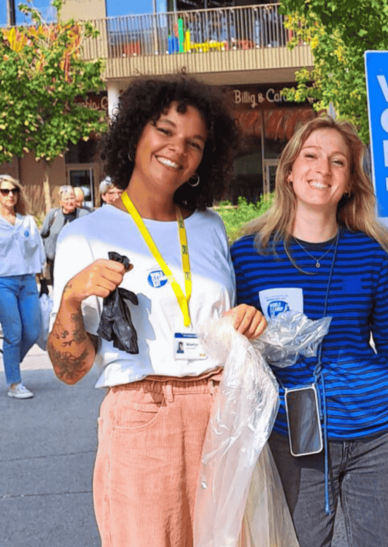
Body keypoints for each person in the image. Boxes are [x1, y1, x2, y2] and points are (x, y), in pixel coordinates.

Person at [46, 77, 267, 547]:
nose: (177, 149)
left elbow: (217, 322)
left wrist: (242, 323)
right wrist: (70, 298)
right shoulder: (84, 235)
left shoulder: (208, 228)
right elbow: (70, 371)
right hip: (141, 413)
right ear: (134, 135)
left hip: (220, 410)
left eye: (194, 143)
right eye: (164, 131)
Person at [231, 116, 388, 547]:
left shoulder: (372, 254)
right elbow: (235, 351)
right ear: (288, 171)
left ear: (348, 183)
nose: (322, 169)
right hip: (293, 438)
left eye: (337, 162)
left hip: (376, 439)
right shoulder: (248, 255)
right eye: (311, 156)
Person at [0, 174, 45, 399]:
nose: (10, 195)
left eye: (14, 191)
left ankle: (10, 359)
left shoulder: (26, 220)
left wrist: (43, 277)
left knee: (33, 331)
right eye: (5, 191)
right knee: (14, 333)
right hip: (3, 282)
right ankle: (15, 383)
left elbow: (37, 249)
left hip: (27, 280)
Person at [40, 185, 89, 285]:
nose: (70, 201)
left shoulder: (84, 214)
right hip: (56, 262)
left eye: (72, 198)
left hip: (77, 263)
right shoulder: (53, 215)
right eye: (66, 199)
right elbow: (43, 234)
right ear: (60, 202)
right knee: (58, 291)